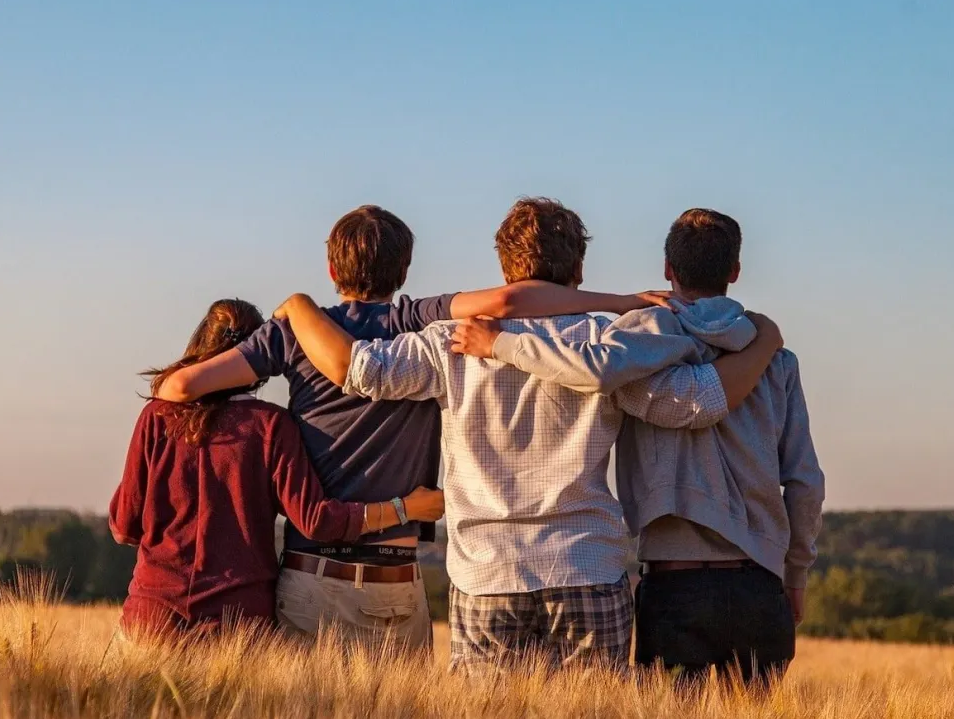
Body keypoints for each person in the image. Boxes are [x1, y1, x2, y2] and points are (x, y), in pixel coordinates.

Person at [273, 199, 783, 674]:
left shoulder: (448, 342)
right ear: (578, 271)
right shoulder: (609, 343)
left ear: (504, 268)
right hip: (587, 565)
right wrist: (763, 345)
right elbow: (695, 403)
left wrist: (299, 307)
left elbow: (359, 370)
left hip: (486, 573)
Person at [154, 204, 673, 647]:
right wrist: (621, 302)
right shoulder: (416, 320)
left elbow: (179, 390)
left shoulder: (293, 333)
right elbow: (511, 301)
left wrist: (266, 387)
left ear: (331, 269)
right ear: (404, 269)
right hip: (398, 578)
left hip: (313, 572)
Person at [452, 208, 824, 684]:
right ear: (734, 271)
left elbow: (591, 369)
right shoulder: (776, 359)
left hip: (675, 583)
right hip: (761, 583)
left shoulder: (636, 345)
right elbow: (806, 482)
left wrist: (501, 344)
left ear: (668, 270)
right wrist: (795, 575)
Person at [109, 298, 445, 641]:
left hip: (151, 617)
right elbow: (316, 520)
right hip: (238, 625)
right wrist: (405, 508)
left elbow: (124, 527)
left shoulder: (157, 417)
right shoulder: (271, 426)